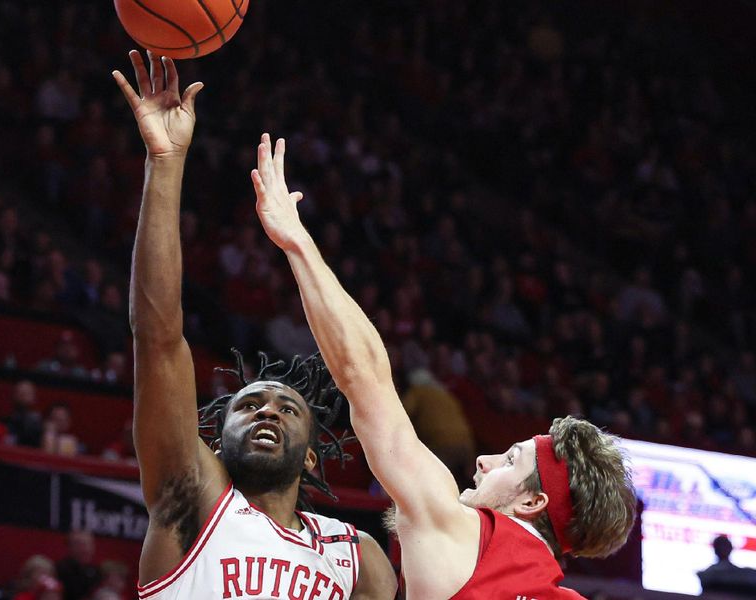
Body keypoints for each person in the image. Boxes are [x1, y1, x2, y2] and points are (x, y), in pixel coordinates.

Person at [251, 134, 638, 599]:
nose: (483, 460)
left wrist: (297, 243)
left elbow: (363, 378)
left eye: (509, 460)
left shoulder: (460, 531)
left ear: (533, 501)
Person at [111, 50, 396, 600]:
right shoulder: (193, 497)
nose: (266, 408)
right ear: (216, 442)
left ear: (312, 453)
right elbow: (159, 336)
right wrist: (164, 165)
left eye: (287, 408)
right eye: (247, 405)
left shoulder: (357, 555)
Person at [56, 530, 99, 600]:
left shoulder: (96, 572)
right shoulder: (60, 570)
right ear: (70, 547)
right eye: (80, 544)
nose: (86, 549)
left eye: (89, 544)